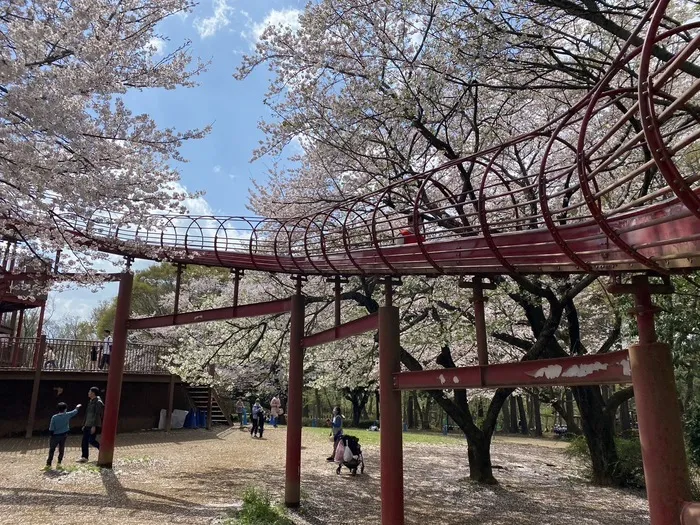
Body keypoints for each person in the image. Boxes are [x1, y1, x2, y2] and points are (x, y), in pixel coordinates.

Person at [45, 401, 82, 470]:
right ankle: (59, 463)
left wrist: (51, 435)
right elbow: (75, 411)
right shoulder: (67, 415)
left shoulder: (54, 417)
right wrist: (77, 406)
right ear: (65, 409)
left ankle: (48, 464)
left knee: (52, 450)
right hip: (64, 435)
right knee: (61, 449)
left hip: (55, 436)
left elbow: (51, 428)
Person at [77, 386, 104, 462]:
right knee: (84, 441)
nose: (88, 393)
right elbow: (87, 414)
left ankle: (102, 450)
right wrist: (84, 424)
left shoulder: (98, 402)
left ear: (93, 393)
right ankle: (84, 457)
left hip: (93, 424)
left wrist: (94, 426)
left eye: (89, 392)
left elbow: (97, 414)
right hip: (87, 424)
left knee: (91, 440)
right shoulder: (90, 401)